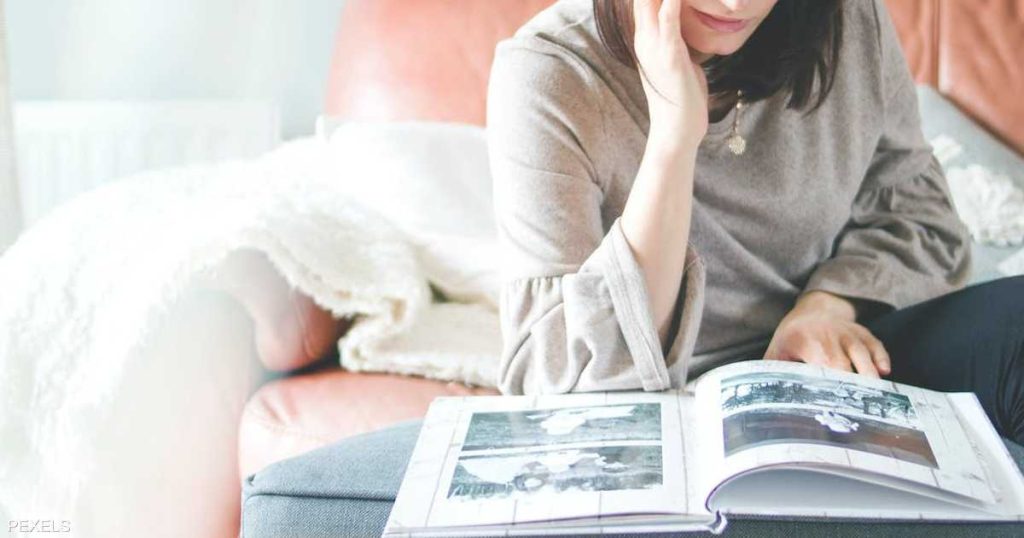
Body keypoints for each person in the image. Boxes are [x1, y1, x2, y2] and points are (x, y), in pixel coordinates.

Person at [488, 0, 1024, 441]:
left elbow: (920, 214)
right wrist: (674, 138)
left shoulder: (844, 19)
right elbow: (560, 383)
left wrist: (825, 307)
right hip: (675, 409)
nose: (736, 4)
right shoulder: (550, 74)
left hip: (833, 357)